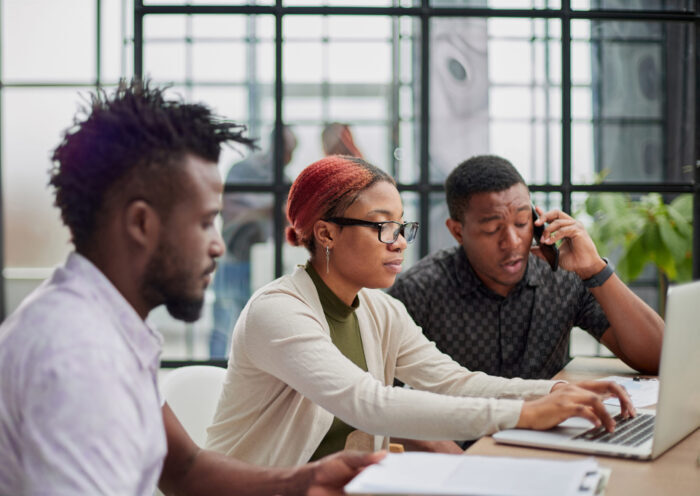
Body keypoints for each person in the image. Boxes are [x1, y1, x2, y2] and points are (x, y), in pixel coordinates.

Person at [0, 80, 382, 495]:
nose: (218, 244)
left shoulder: (107, 326)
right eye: (204, 222)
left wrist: (306, 479)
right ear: (141, 224)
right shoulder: (79, 358)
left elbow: (186, 469)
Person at [205, 154, 634, 467]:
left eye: (402, 225)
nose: (400, 242)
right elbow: (367, 404)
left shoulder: (377, 310)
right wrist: (524, 413)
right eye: (382, 226)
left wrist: (550, 393)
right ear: (326, 234)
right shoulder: (278, 312)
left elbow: (451, 382)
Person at [388, 154, 664, 380]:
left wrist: (595, 270)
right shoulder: (419, 291)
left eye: (522, 223)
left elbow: (660, 358)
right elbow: (381, 398)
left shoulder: (563, 278)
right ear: (458, 232)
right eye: (493, 228)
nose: (512, 241)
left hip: (546, 438)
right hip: (460, 443)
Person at [210, 125, 297, 358]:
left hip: (263, 264)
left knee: (253, 326)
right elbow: (231, 210)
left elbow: (289, 221)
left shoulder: (285, 178)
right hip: (234, 258)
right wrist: (268, 208)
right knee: (223, 325)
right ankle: (212, 376)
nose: (290, 157)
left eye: (292, 151)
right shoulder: (243, 170)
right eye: (288, 149)